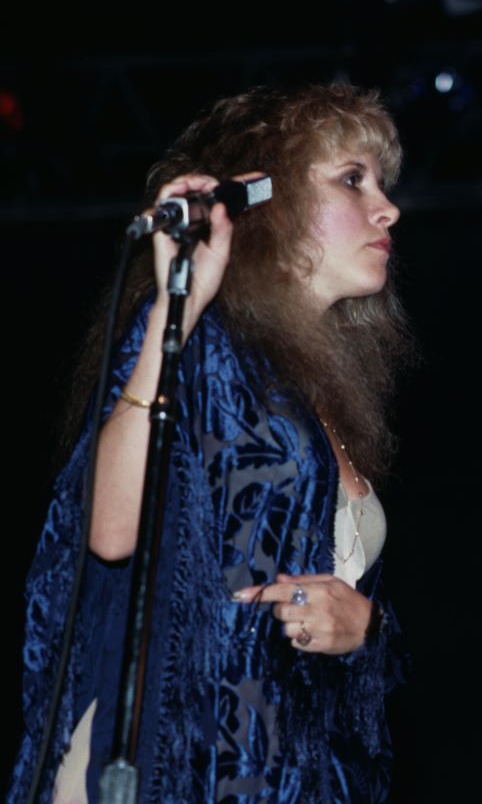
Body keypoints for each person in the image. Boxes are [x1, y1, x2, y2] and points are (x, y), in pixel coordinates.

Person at [9, 82, 411, 802]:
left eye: (380, 184)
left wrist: (368, 627)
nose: (387, 207)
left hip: (277, 767)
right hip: (175, 759)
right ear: (271, 201)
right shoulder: (202, 339)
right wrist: (177, 305)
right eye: (353, 179)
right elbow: (105, 529)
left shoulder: (328, 396)